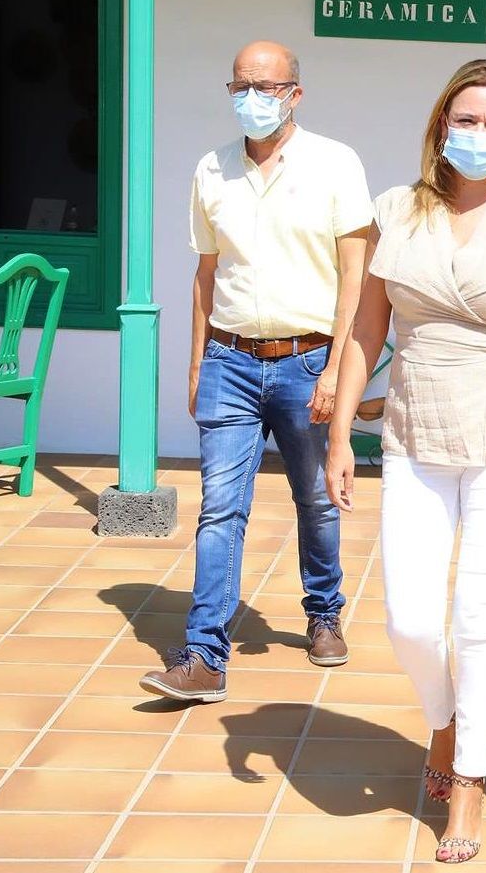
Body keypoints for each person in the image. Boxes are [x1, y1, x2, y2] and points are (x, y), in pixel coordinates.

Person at [325, 59, 486, 864]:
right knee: (407, 617)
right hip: (414, 425)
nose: (476, 135)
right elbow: (365, 331)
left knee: (477, 617)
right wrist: (339, 432)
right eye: (463, 120)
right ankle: (442, 720)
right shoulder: (394, 213)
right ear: (440, 124)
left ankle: (468, 777)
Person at [140, 41, 372, 703]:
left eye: (266, 85)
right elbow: (205, 275)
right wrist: (194, 363)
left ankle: (323, 611)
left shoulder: (334, 164)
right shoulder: (211, 170)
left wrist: (335, 365)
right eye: (241, 84)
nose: (253, 96)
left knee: (316, 499)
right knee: (220, 509)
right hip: (229, 360)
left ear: (295, 93)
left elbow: (354, 271)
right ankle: (204, 655)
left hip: (306, 359)